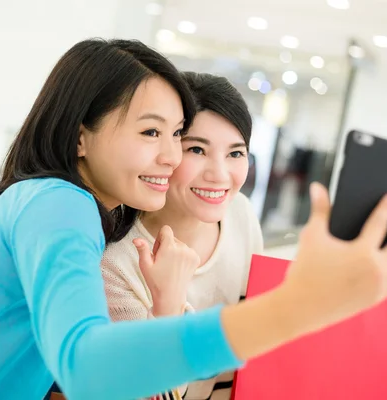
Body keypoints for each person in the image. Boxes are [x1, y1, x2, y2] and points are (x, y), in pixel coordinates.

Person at [0, 39, 387, 400]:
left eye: (176, 134)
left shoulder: (78, 212)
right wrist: (302, 306)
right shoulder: (57, 203)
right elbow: (86, 366)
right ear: (79, 137)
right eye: (150, 132)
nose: (171, 156)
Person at [101, 72, 261, 399]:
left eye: (235, 153)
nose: (219, 175)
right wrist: (169, 302)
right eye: (197, 150)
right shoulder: (116, 261)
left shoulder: (240, 214)